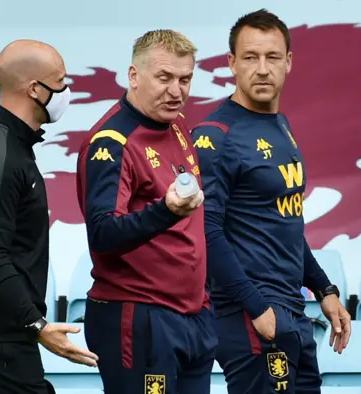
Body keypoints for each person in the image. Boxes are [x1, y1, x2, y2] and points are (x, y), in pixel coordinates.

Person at [191, 9, 352, 394]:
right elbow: (205, 231)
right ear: (231, 63)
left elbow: (284, 223)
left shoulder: (280, 125)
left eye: (272, 57)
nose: (262, 69)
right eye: (250, 57)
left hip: (291, 310)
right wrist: (256, 308)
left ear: (288, 62)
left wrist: (324, 290)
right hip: (249, 314)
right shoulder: (214, 136)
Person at [0, 39, 98, 394]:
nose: (66, 91)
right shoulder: (0, 157)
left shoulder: (15, 149)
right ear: (34, 89)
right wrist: (38, 325)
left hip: (4, 339)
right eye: (60, 82)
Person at [75, 29, 217, 394]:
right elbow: (104, 234)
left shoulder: (177, 125)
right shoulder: (112, 143)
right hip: (140, 314)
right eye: (164, 78)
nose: (176, 91)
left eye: (185, 79)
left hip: (193, 314)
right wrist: (166, 211)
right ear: (134, 76)